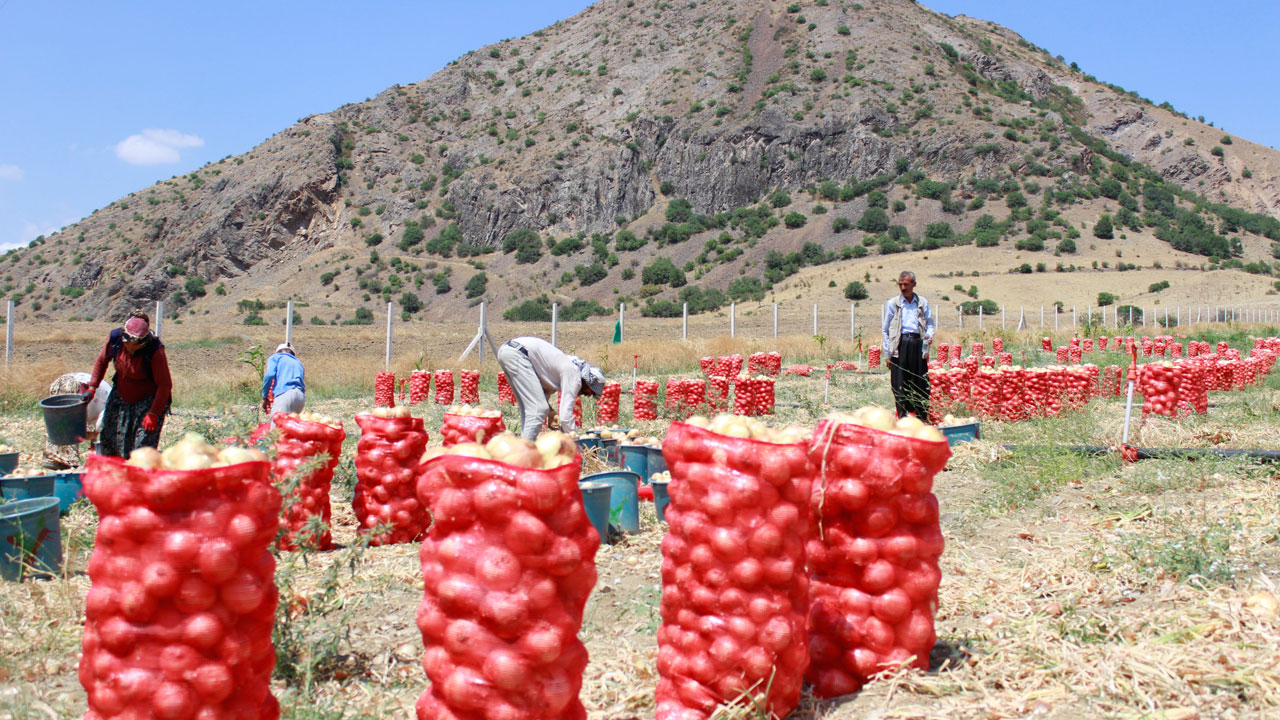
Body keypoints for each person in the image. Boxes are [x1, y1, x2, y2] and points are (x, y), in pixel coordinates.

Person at [86, 310, 173, 458]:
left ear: (143, 342)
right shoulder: (115, 339)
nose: (131, 347)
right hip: (121, 394)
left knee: (141, 447)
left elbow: (165, 385)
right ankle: (115, 474)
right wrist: (92, 387)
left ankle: (138, 476)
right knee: (110, 438)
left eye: (136, 344)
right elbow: (101, 361)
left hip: (148, 400)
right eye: (128, 343)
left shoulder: (154, 350)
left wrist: (153, 413)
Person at [496, 336, 606, 441]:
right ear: (587, 381)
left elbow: (542, 396)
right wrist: (575, 439)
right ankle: (526, 451)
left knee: (529, 409)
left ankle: (525, 446)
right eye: (591, 391)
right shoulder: (574, 374)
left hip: (509, 351)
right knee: (538, 409)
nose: (588, 394)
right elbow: (565, 417)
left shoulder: (557, 372)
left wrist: (551, 413)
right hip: (518, 354)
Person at [881, 271, 935, 419]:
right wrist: (888, 354)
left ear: (914, 285)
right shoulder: (893, 304)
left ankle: (921, 418)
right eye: (900, 284)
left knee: (920, 382)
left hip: (918, 343)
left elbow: (930, 323)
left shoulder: (922, 303)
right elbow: (886, 329)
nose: (903, 288)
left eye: (906, 284)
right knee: (899, 382)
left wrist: (929, 336)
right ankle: (903, 418)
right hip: (900, 344)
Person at [41, 372, 111, 470]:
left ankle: (53, 458)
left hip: (61, 382)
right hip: (77, 386)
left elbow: (96, 433)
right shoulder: (112, 404)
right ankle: (67, 462)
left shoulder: (104, 400)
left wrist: (92, 446)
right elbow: (101, 424)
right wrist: (94, 436)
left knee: (58, 421)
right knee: (71, 424)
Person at [262, 343, 305, 415]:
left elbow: (269, 375)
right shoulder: (298, 362)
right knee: (292, 425)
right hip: (300, 397)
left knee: (278, 424)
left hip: (285, 394)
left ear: (278, 351)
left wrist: (265, 396)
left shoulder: (275, 357)